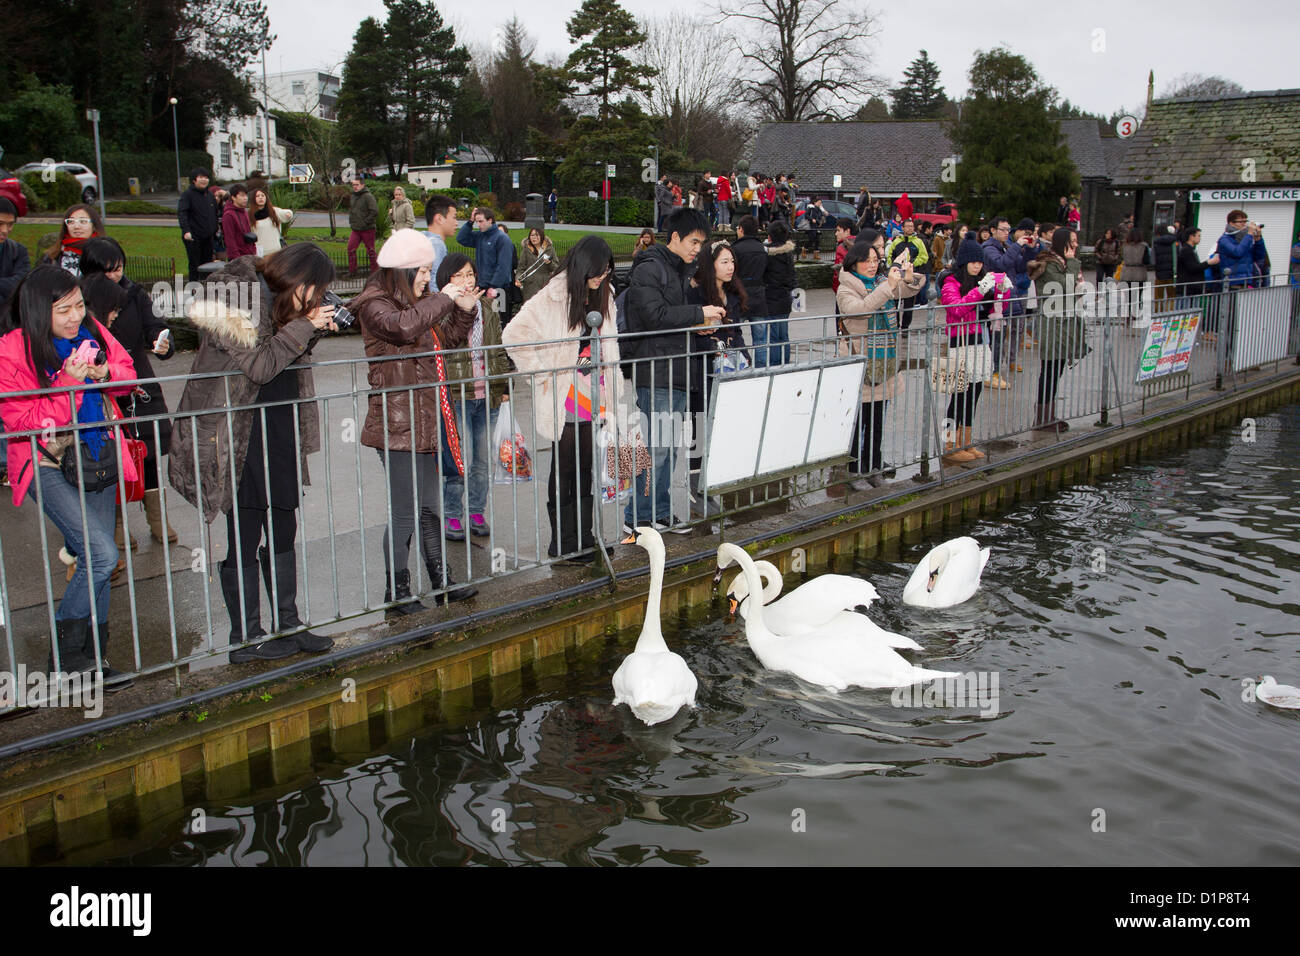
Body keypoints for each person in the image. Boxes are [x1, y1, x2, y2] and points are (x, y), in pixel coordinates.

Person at [168, 244, 337, 661]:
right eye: (313, 291)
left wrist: (310, 328)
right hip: (234, 434)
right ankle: (246, 639)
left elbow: (283, 357)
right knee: (244, 531)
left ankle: (288, 624)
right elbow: (260, 365)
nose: (316, 300)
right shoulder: (230, 298)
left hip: (277, 424)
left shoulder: (281, 301)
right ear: (295, 278)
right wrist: (304, 326)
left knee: (283, 523)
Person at [0, 266, 138, 684]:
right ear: (41, 311)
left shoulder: (92, 331)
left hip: (96, 457)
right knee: (102, 555)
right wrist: (68, 384)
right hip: (45, 462)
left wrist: (105, 375)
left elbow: (128, 374)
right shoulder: (11, 350)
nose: (76, 316)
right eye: (65, 310)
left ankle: (92, 659)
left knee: (93, 562)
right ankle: (64, 659)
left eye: (79, 305)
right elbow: (21, 422)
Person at [349, 229, 481, 614]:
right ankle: (398, 591)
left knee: (429, 507)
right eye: (423, 271)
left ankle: (441, 580)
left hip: (423, 421)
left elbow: (448, 338)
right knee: (405, 510)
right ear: (403, 270)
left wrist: (466, 308)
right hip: (395, 423)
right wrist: (444, 298)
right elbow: (403, 328)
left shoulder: (418, 302)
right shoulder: (375, 304)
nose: (428, 278)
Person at [502, 236, 621, 559]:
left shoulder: (604, 295)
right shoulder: (553, 297)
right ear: (582, 267)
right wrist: (542, 373)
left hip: (594, 392)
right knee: (566, 467)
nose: (601, 277)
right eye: (597, 271)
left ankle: (584, 537)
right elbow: (513, 335)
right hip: (565, 393)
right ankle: (563, 541)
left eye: (607, 270)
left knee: (586, 467)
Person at [621, 208, 724, 536]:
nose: (698, 248)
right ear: (675, 237)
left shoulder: (677, 270)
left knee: (670, 448)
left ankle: (660, 513)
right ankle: (637, 516)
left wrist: (699, 327)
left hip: (677, 369)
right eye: (694, 241)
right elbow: (654, 315)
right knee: (656, 448)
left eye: (702, 243)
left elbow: (671, 319)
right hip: (656, 370)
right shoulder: (650, 269)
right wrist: (698, 313)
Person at [79, 237, 177, 548]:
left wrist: (162, 340)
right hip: (103, 390)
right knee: (108, 457)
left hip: (138, 385)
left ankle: (157, 517)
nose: (115, 277)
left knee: (145, 453)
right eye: (107, 272)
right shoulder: (79, 303)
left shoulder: (134, 294)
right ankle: (116, 523)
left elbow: (154, 326)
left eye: (119, 269)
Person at [836, 242, 923, 489]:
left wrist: (907, 276)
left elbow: (910, 290)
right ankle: (852, 471)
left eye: (876, 260)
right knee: (857, 422)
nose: (873, 265)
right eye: (867, 260)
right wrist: (888, 287)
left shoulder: (882, 282)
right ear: (854, 263)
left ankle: (873, 467)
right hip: (861, 362)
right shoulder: (846, 288)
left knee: (877, 421)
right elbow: (860, 310)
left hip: (884, 361)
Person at [437, 253, 510, 542]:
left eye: (470, 275)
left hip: (486, 394)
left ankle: (477, 511)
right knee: (457, 459)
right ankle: (452, 514)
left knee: (481, 460)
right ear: (447, 280)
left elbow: (497, 347)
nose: (467, 281)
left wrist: (503, 386)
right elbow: (444, 343)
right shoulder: (440, 308)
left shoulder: (487, 308)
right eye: (459, 276)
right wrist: (460, 310)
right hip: (457, 394)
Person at [685, 240, 750, 508]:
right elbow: (691, 334)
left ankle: (712, 481)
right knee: (699, 427)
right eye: (724, 261)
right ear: (710, 265)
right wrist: (712, 346)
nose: (730, 267)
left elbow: (736, 331)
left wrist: (744, 354)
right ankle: (694, 486)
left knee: (721, 426)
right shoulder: (696, 294)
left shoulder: (732, 294)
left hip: (728, 371)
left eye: (732, 261)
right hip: (702, 372)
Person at [940, 238, 998, 464]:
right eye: (973, 262)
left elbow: (990, 310)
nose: (977, 266)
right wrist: (979, 291)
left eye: (979, 262)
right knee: (959, 395)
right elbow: (957, 309)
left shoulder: (981, 280)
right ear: (963, 262)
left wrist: (998, 292)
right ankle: (949, 443)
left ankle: (965, 441)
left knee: (974, 394)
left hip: (980, 341)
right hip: (961, 343)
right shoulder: (950, 282)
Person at [1032, 227, 1088, 433]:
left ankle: (1048, 416)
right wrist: (1073, 262)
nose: (1075, 246)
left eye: (1076, 241)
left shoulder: (1060, 263)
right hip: (1052, 322)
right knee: (1049, 372)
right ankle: (1042, 419)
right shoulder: (1048, 264)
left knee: (1056, 371)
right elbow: (1066, 285)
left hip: (1063, 321)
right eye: (1071, 241)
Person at [981, 217, 1031, 388]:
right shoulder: (988, 248)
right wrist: (1017, 246)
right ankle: (991, 372)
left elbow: (1020, 267)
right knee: (995, 337)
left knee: (1000, 336)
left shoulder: (1006, 247)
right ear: (993, 230)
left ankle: (994, 370)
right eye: (1002, 229)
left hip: (1007, 296)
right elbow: (1001, 265)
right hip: (994, 300)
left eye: (1008, 229)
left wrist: (1030, 250)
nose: (1006, 233)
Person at [456, 207, 513, 306]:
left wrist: (494, 287)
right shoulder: (480, 236)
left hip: (498, 289)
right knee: (484, 318)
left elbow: (503, 266)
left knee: (496, 319)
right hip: (482, 286)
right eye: (477, 221)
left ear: (490, 220)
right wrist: (470, 222)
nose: (478, 224)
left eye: (481, 221)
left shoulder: (502, 238)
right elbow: (461, 238)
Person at [759, 220, 796, 367]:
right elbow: (792, 278)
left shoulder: (767, 255)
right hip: (785, 298)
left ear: (770, 237)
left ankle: (775, 364)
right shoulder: (788, 254)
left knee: (774, 336)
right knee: (783, 334)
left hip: (771, 298)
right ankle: (785, 362)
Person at [885, 219, 930, 330]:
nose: (910, 228)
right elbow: (890, 256)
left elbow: (924, 257)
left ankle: (905, 327)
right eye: (907, 226)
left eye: (911, 226)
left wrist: (912, 263)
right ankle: (895, 325)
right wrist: (894, 266)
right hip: (897, 276)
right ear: (903, 228)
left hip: (911, 276)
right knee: (894, 303)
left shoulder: (918, 242)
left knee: (909, 305)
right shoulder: (896, 241)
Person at [177, 168, 219, 281]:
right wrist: (186, 231)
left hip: (208, 236)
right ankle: (194, 289)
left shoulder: (209, 195)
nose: (204, 180)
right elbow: (182, 213)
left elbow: (215, 213)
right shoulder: (187, 195)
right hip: (193, 237)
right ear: (194, 180)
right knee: (195, 265)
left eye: (206, 178)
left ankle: (208, 288)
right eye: (201, 177)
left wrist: (215, 229)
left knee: (208, 264)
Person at [733, 215, 769, 341]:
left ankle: (739, 360)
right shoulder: (763, 249)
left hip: (739, 296)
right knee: (760, 339)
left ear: (741, 229)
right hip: (759, 296)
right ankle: (761, 362)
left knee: (734, 335)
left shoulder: (735, 249)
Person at [45, 204, 102, 277]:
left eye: (83, 221)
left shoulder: (104, 254)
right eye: (71, 221)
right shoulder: (53, 256)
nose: (76, 226)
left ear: (94, 225)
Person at [517, 226, 559, 303]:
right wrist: (518, 278)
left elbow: (556, 267)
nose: (534, 238)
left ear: (542, 236)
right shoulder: (526, 249)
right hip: (530, 286)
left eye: (537, 235)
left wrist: (549, 263)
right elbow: (521, 267)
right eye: (532, 235)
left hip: (545, 285)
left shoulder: (549, 249)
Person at [347, 177, 379, 277]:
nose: (355, 187)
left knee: (371, 251)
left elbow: (374, 211)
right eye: (353, 185)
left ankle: (375, 272)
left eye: (357, 185)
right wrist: (352, 222)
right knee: (351, 249)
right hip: (356, 229)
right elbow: (353, 211)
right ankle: (353, 271)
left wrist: (365, 222)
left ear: (362, 185)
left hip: (367, 229)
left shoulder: (368, 196)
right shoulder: (353, 196)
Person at [250, 186, 293, 256]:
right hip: (260, 252)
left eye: (263, 196)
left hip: (276, 251)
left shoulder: (273, 211)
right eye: (257, 196)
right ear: (253, 199)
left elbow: (284, 214)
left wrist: (288, 214)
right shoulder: (250, 215)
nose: (261, 198)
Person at [0, 197, 29, 300]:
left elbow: (22, 284)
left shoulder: (19, 251)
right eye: (0, 224)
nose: (5, 230)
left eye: (10, 224)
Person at [422, 194, 459, 272]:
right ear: (439, 219)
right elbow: (435, 280)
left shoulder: (423, 239)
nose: (456, 223)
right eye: (454, 217)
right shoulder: (437, 245)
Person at [1120, 227, 1151, 321]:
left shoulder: (1125, 245)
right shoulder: (1144, 246)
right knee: (1138, 296)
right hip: (1139, 273)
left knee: (1128, 295)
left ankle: (1127, 314)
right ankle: (1135, 313)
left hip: (1127, 272)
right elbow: (1147, 260)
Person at [221, 184, 257, 261]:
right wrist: (236, 258)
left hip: (250, 254)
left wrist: (254, 250)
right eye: (242, 196)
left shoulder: (244, 211)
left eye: (246, 196)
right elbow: (229, 239)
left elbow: (249, 232)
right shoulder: (228, 215)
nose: (245, 198)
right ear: (233, 197)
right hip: (238, 258)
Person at [830, 218, 859, 301]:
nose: (836, 234)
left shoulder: (841, 247)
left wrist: (836, 290)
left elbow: (838, 273)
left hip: (844, 290)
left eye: (838, 230)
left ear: (847, 231)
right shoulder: (860, 244)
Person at [1152, 225, 1178, 312]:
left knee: (1158, 296)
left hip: (1159, 274)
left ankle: (1158, 314)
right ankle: (1169, 314)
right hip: (1172, 273)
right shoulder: (1174, 242)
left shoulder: (1156, 243)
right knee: (1171, 296)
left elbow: (1153, 260)